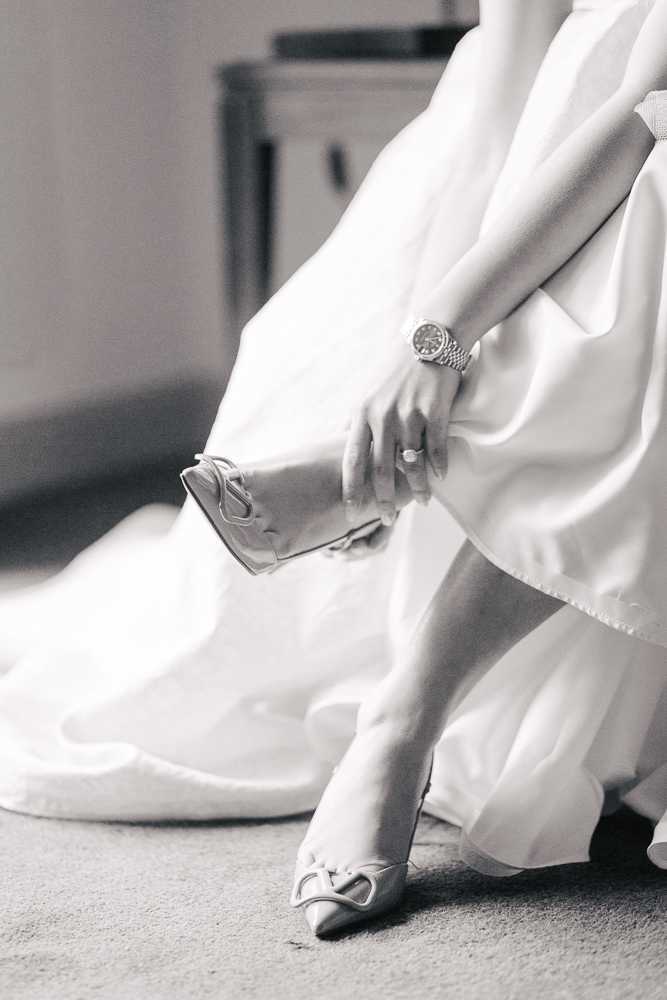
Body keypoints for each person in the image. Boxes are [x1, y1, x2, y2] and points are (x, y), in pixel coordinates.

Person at [0, 0, 665, 939]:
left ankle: (365, 482)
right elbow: (619, 111)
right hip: (562, 148)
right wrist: (437, 339)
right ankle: (400, 715)